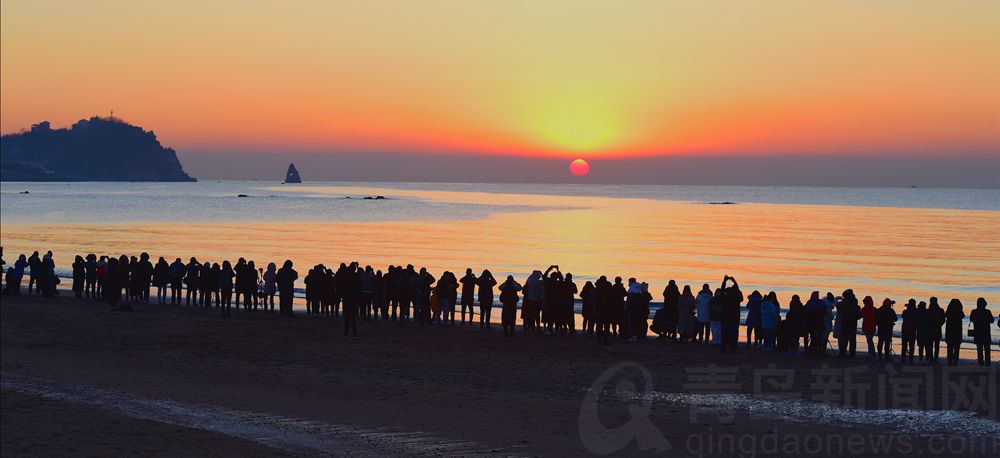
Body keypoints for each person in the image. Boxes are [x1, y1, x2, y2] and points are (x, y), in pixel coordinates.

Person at [719, 276, 743, 353]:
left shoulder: (724, 298)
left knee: (724, 333)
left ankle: (724, 347)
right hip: (734, 318)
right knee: (734, 333)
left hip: (725, 318)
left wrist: (724, 281)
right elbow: (738, 291)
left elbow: (722, 290)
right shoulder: (736, 298)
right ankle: (733, 347)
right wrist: (734, 282)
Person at [969, 298, 994, 366]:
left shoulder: (974, 311)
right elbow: (992, 321)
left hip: (978, 332)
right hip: (986, 332)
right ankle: (987, 362)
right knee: (987, 348)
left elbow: (971, 319)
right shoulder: (987, 312)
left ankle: (980, 362)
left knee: (979, 348)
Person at [836, 289, 860, 357]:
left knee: (845, 338)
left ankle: (843, 352)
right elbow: (858, 315)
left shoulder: (844, 303)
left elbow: (839, 308)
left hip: (846, 322)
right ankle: (852, 353)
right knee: (852, 339)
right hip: (853, 323)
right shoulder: (855, 302)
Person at [922, 297, 945, 364]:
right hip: (937, 329)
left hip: (930, 329)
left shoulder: (928, 310)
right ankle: (935, 358)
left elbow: (925, 320)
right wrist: (939, 325)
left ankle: (931, 358)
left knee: (930, 345)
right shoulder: (940, 310)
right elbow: (943, 320)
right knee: (936, 345)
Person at [944, 299, 965, 366]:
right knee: (957, 346)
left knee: (949, 346)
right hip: (957, 331)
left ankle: (950, 359)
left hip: (950, 330)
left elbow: (945, 315)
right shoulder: (959, 311)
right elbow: (963, 316)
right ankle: (955, 360)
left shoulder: (949, 311)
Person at [900, 299, 919, 364]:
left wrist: (908, 308)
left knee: (904, 345)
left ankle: (903, 358)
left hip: (905, 329)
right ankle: (911, 358)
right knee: (911, 345)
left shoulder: (905, 311)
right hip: (913, 330)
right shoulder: (916, 311)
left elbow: (903, 316)